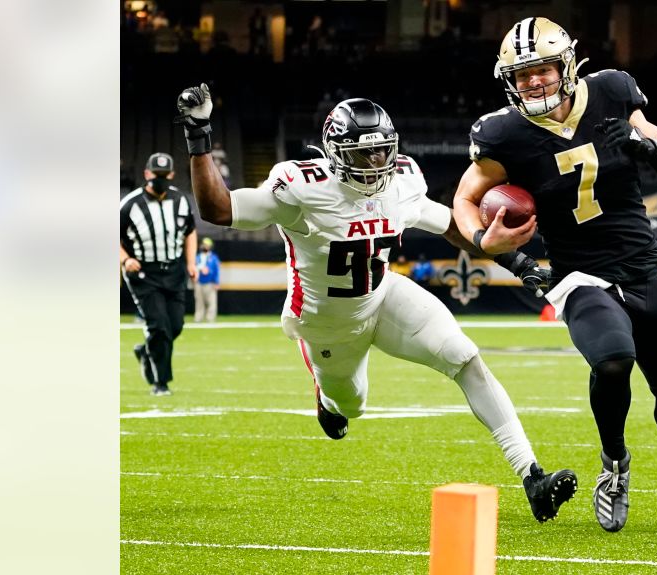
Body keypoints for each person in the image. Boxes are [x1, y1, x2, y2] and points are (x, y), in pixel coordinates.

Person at [175, 85, 577, 522]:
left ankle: (532, 476)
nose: (377, 163)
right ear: (335, 152)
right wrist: (199, 135)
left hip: (384, 295)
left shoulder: (401, 181)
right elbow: (218, 209)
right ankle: (327, 401)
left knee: (465, 357)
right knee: (351, 405)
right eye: (364, 154)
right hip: (327, 323)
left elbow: (450, 226)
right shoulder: (301, 189)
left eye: (383, 151)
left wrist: (517, 260)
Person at [451, 17, 657, 533]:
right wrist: (482, 240)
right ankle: (615, 467)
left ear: (567, 65)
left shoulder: (610, 92)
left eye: (541, 69)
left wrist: (645, 147)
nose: (533, 81)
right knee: (611, 360)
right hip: (579, 273)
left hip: (643, 265)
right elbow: (465, 199)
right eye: (521, 74)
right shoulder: (504, 133)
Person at [120, 152, 198, 396]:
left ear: (172, 174)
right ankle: (159, 382)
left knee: (175, 326)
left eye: (165, 175)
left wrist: (191, 263)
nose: (161, 179)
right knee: (159, 327)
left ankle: (146, 351)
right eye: (157, 175)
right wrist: (126, 259)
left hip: (174, 270)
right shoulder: (130, 204)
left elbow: (190, 232)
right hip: (144, 273)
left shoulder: (181, 200)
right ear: (146, 174)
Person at [195, 237, 221, 322]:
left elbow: (216, 270)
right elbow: (194, 267)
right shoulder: (197, 257)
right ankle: (198, 318)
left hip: (210, 282)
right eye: (203, 244)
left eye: (207, 245)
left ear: (210, 246)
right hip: (199, 282)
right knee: (199, 302)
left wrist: (216, 282)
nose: (205, 246)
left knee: (211, 302)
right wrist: (200, 269)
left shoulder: (213, 258)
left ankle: (210, 318)